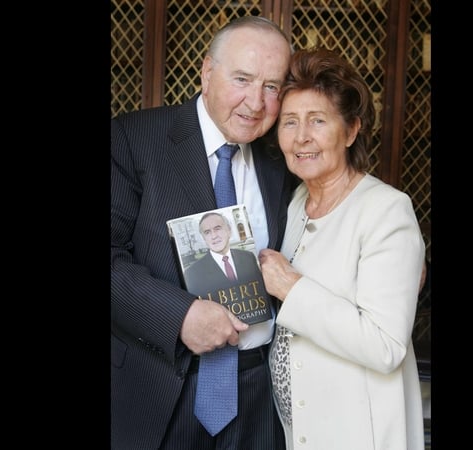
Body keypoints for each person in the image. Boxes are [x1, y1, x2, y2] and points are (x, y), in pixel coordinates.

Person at [111, 16, 296, 450]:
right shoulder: (133, 137)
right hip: (158, 389)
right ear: (207, 73)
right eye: (243, 79)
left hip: (259, 398)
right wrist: (181, 317)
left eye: (272, 86)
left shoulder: (284, 157)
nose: (256, 102)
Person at [258, 47, 427, 450]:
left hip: (356, 433)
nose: (301, 137)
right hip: (297, 430)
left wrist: (291, 287)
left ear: (351, 130)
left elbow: (385, 345)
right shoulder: (296, 201)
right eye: (289, 122)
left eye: (317, 121)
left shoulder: (386, 210)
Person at [183, 212, 263, 297]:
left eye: (217, 229)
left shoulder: (248, 257)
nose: (213, 236)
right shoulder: (192, 273)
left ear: (229, 231)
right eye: (207, 232)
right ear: (204, 238)